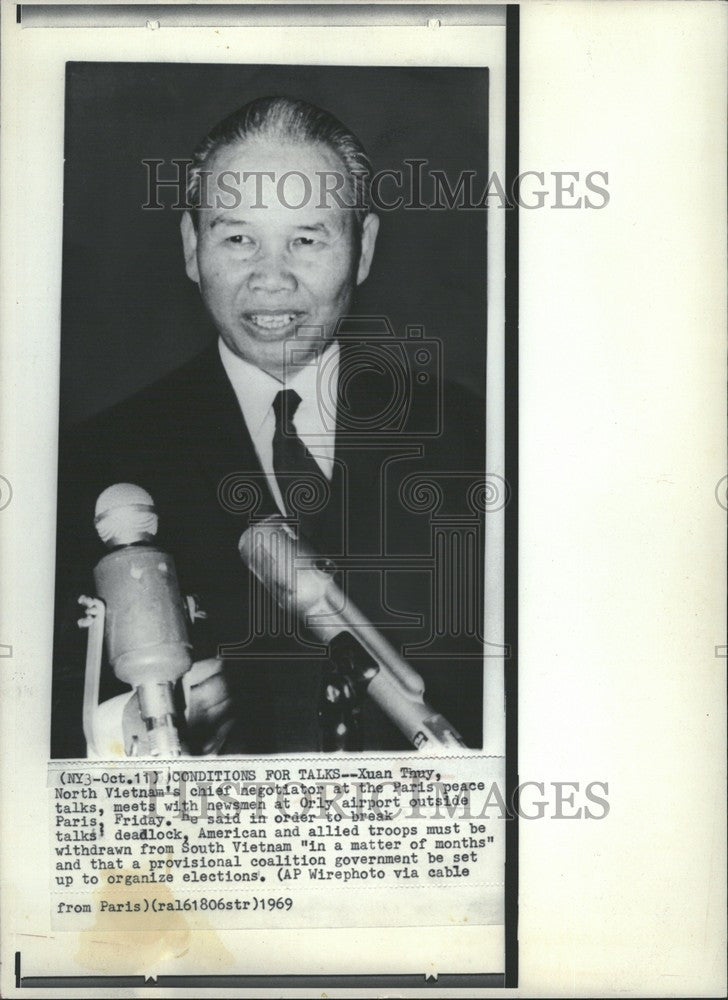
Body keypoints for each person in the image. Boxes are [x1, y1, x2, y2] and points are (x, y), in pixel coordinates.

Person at [51, 96, 485, 758]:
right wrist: (123, 730)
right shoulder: (85, 464)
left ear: (363, 247)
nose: (272, 281)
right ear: (193, 248)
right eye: (238, 239)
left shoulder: (476, 439)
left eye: (306, 240)